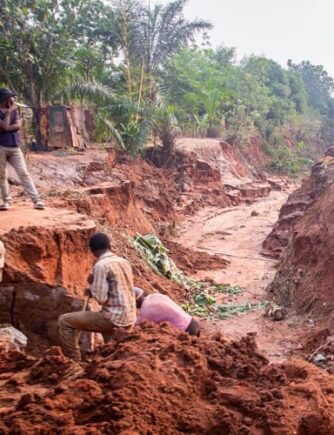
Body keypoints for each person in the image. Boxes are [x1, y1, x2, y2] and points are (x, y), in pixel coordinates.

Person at [57, 233, 137, 361]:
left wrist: (93, 287)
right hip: (129, 317)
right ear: (109, 246)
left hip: (112, 318)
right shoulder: (123, 261)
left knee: (64, 321)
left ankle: (74, 361)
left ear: (92, 251)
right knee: (111, 352)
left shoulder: (101, 266)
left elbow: (101, 298)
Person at [0, 88, 44, 211]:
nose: (12, 100)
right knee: (2, 176)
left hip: (15, 148)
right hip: (1, 148)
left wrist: (6, 127)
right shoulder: (11, 111)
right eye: (9, 98)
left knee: (24, 173)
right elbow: (3, 126)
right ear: (3, 99)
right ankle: (6, 201)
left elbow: (18, 125)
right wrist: (8, 114)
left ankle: (37, 200)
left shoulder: (15, 111)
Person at [134, 288, 200, 336]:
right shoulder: (155, 296)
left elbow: (137, 328)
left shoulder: (144, 312)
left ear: (136, 302)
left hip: (185, 331)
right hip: (192, 322)